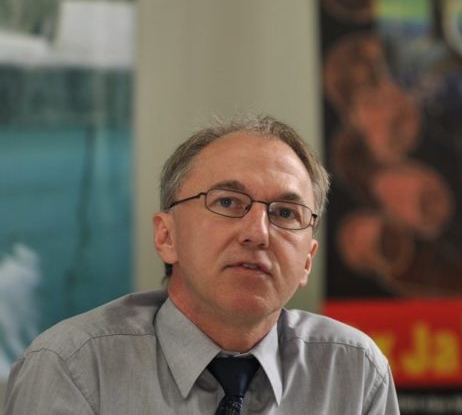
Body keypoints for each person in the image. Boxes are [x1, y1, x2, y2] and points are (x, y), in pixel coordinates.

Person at [3, 115, 400, 414]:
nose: (258, 233)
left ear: (307, 260)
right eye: (227, 202)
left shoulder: (353, 371)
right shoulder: (74, 368)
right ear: (167, 236)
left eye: (284, 212)